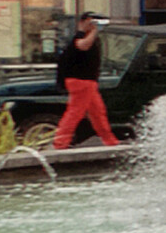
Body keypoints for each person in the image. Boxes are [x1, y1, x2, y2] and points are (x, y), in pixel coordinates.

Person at [51, 13, 119, 149]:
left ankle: (109, 140)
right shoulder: (80, 36)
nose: (95, 25)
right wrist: (93, 31)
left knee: (97, 111)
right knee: (75, 112)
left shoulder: (90, 38)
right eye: (92, 22)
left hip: (88, 82)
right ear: (83, 23)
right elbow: (83, 46)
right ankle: (60, 142)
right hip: (81, 81)